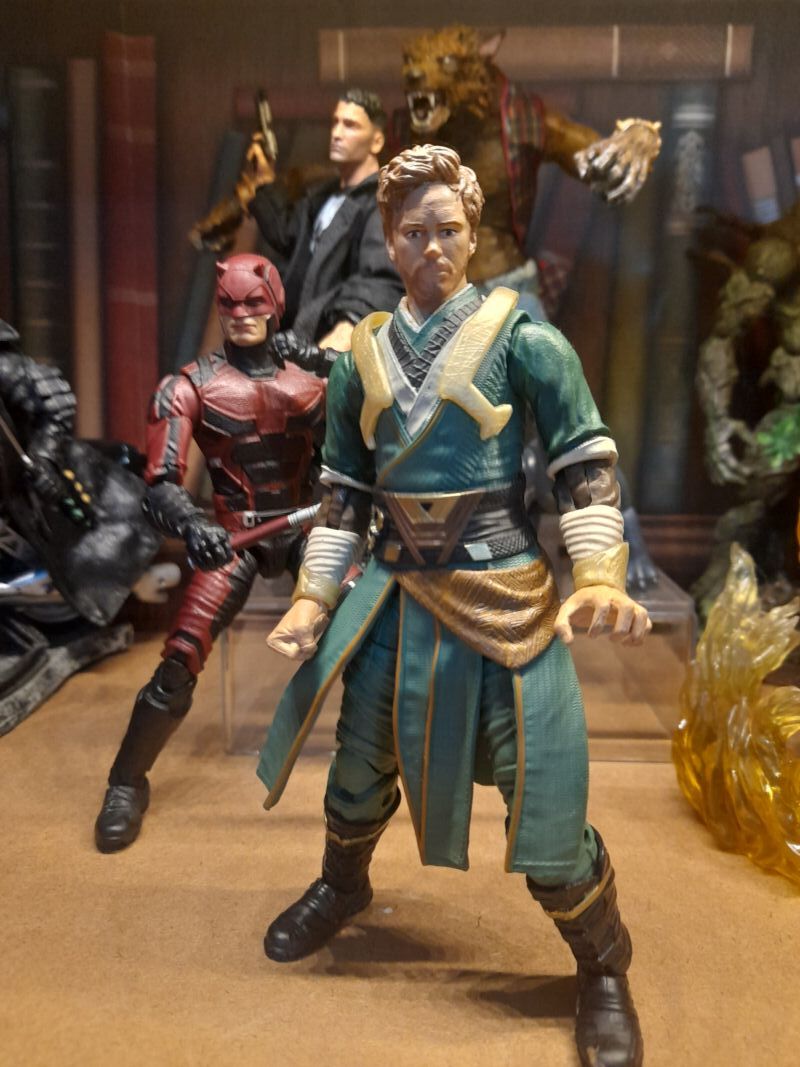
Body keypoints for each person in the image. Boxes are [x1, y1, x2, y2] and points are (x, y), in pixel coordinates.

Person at [258, 146, 651, 1067]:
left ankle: (602, 961)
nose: (430, 246)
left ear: (474, 235)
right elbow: (344, 492)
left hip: (505, 602)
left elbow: (584, 462)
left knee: (545, 803)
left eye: (447, 229)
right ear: (388, 240)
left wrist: (598, 574)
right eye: (412, 231)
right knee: (356, 769)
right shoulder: (358, 355)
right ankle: (343, 885)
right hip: (393, 600)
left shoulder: (527, 340)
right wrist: (313, 597)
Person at [93, 253, 326, 853]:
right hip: (230, 536)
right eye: (230, 304)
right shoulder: (188, 386)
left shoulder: (314, 380)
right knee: (180, 657)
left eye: (254, 302)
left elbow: (361, 449)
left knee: (374, 634)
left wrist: (337, 367)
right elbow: (161, 482)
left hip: (308, 530)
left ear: (275, 305)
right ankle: (125, 782)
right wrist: (193, 526)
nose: (241, 314)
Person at [239, 88, 404, 350]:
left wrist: (348, 325)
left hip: (336, 341)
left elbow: (380, 278)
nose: (337, 133)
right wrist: (264, 184)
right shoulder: (323, 197)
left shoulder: (380, 201)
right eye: (335, 122)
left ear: (376, 141)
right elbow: (289, 235)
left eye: (350, 125)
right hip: (297, 335)